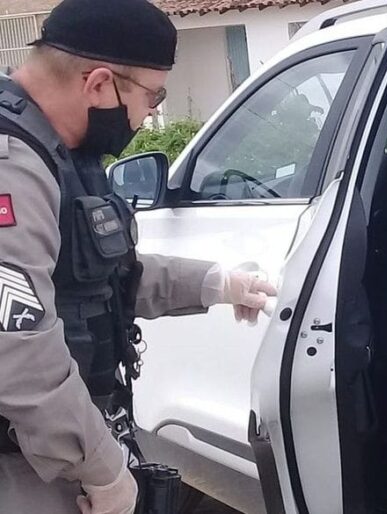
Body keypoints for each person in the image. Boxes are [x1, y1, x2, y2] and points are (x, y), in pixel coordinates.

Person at [0, 0, 277, 512]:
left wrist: (216, 283)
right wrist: (103, 471)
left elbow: (93, 277)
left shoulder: (59, 150)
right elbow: (18, 347)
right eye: (153, 95)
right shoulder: (12, 168)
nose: (151, 113)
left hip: (50, 449)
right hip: (22, 465)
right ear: (99, 84)